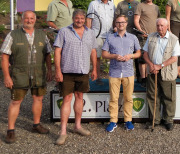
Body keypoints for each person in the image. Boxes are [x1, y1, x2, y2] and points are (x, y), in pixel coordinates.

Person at [1, 11, 53, 144]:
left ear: (35, 20)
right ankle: (11, 130)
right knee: (15, 101)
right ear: (22, 19)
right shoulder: (13, 35)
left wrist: (49, 70)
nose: (29, 21)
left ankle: (36, 125)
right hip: (19, 74)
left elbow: (48, 54)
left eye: (31, 18)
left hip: (38, 74)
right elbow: (5, 56)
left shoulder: (42, 35)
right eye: (26, 18)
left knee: (38, 99)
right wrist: (6, 76)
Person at [54, 9, 97, 145]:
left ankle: (77, 126)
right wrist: (58, 71)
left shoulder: (90, 33)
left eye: (82, 18)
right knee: (67, 99)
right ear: (73, 18)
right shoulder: (64, 32)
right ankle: (63, 131)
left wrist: (95, 68)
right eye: (77, 18)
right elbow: (57, 51)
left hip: (83, 70)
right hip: (67, 71)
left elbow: (93, 51)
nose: (79, 20)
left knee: (80, 97)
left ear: (85, 19)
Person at [102, 15, 141, 132]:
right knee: (114, 98)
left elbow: (139, 53)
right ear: (115, 24)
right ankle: (113, 121)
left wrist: (131, 56)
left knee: (128, 98)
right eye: (118, 22)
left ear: (126, 24)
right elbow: (104, 53)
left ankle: (128, 120)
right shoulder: (110, 38)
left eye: (122, 22)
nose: (120, 24)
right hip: (114, 72)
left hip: (128, 72)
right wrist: (113, 56)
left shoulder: (133, 38)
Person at [143, 18, 180, 131]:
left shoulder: (174, 39)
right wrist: (151, 65)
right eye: (158, 25)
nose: (160, 28)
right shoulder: (151, 36)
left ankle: (168, 120)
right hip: (152, 71)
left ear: (167, 26)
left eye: (162, 26)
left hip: (167, 72)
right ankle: (155, 119)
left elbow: (175, 57)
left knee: (169, 97)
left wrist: (160, 66)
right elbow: (145, 53)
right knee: (152, 96)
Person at [86, 0, 115, 83]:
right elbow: (89, 19)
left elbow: (114, 20)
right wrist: (88, 34)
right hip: (96, 35)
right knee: (96, 57)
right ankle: (97, 77)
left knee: (112, 57)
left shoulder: (112, 5)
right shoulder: (93, 4)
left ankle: (113, 77)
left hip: (110, 35)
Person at [134, 0, 161, 86]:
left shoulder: (156, 7)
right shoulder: (140, 6)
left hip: (154, 36)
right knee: (142, 59)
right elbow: (136, 21)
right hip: (143, 36)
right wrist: (141, 31)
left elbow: (158, 21)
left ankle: (151, 77)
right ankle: (143, 78)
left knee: (152, 57)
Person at [115, 0, 141, 80]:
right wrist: (115, 28)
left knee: (136, 55)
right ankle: (122, 76)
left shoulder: (138, 4)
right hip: (123, 33)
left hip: (135, 33)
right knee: (123, 54)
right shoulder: (121, 4)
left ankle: (139, 76)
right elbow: (116, 17)